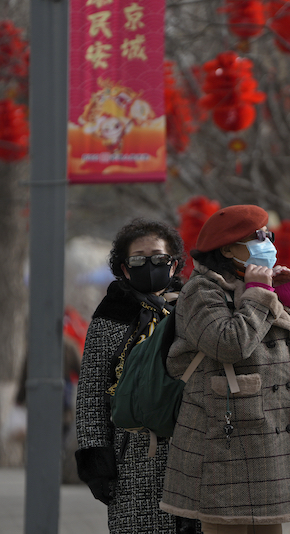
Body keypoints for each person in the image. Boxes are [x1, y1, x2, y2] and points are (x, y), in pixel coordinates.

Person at [160, 205, 290, 534]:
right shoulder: (202, 291)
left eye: (268, 235)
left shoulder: (257, 284)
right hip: (223, 439)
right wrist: (259, 296)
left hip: (267, 439)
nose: (267, 244)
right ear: (228, 249)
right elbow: (228, 344)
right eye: (257, 237)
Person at [74, 218, 198, 534]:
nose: (149, 265)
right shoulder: (109, 318)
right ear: (125, 268)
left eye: (158, 257)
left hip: (195, 454)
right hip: (133, 459)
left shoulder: (196, 310)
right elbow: (91, 393)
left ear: (174, 265)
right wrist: (97, 463)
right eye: (138, 259)